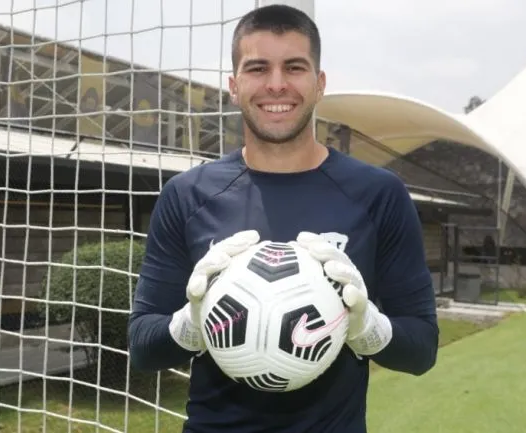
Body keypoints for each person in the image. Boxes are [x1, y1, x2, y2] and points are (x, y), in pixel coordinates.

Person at [128, 5, 438, 432]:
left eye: (294, 67)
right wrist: (190, 324)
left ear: (319, 83)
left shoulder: (378, 194)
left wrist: (367, 329)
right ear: (234, 87)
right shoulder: (188, 195)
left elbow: (422, 349)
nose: (276, 85)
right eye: (258, 68)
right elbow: (143, 348)